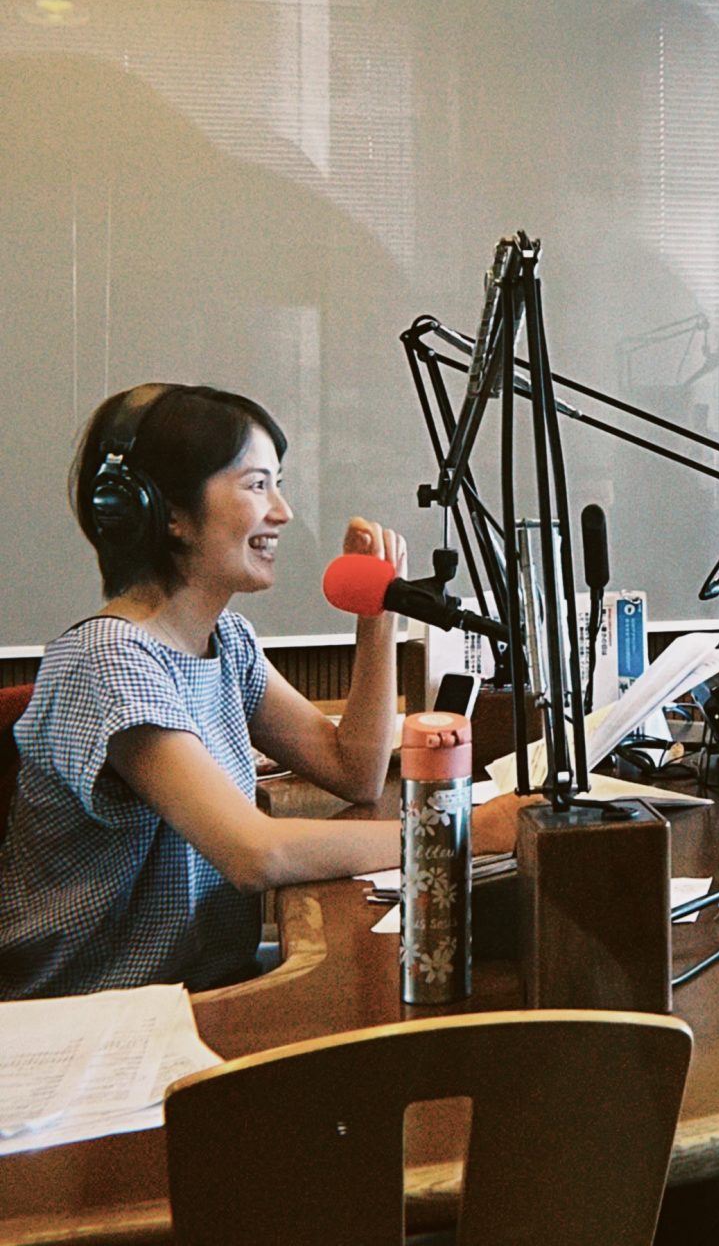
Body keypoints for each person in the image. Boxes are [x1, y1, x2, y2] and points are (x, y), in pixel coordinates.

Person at [0, 383, 535, 998]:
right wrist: (467, 831)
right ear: (166, 512)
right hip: (87, 1018)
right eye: (257, 485)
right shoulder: (109, 660)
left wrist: (378, 613)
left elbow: (354, 771)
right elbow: (253, 855)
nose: (282, 512)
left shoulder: (225, 640)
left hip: (194, 993)